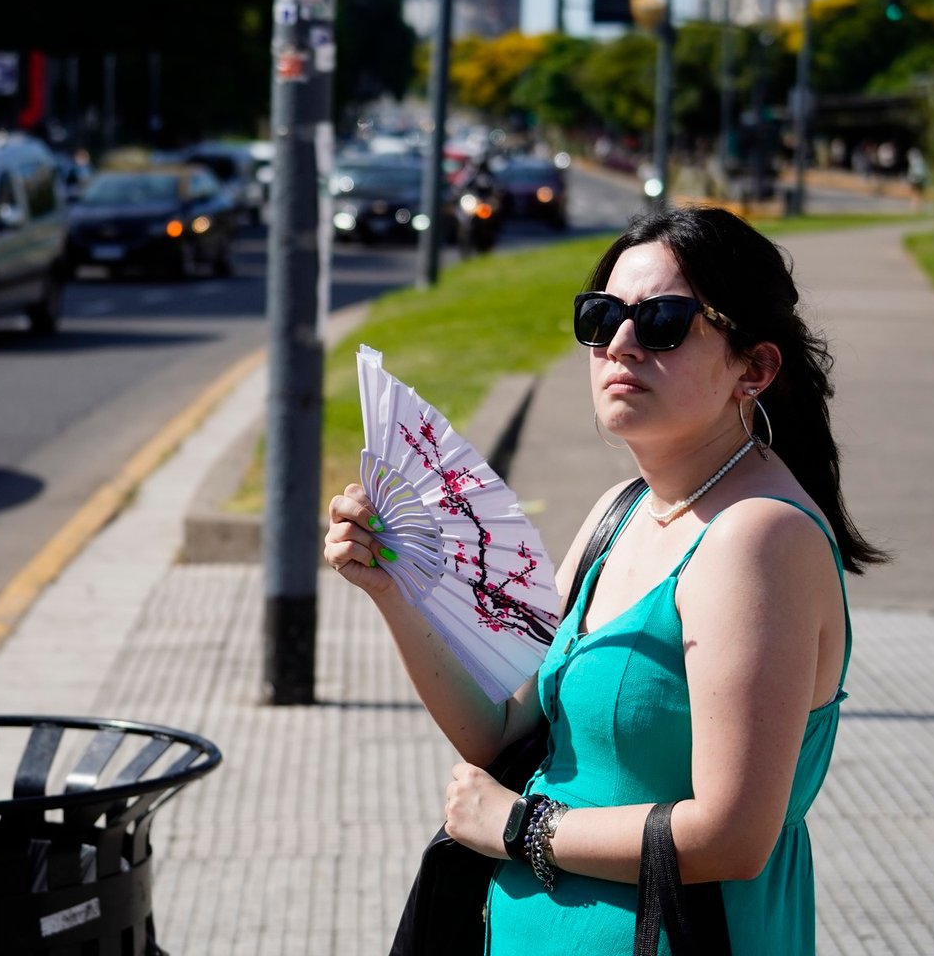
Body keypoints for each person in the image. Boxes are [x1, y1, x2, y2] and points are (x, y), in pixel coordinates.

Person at [324, 206, 885, 953]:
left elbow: (732, 837)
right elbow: (497, 731)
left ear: (753, 367)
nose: (619, 344)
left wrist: (518, 826)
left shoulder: (759, 539)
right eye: (602, 317)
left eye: (662, 322)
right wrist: (390, 587)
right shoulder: (620, 513)